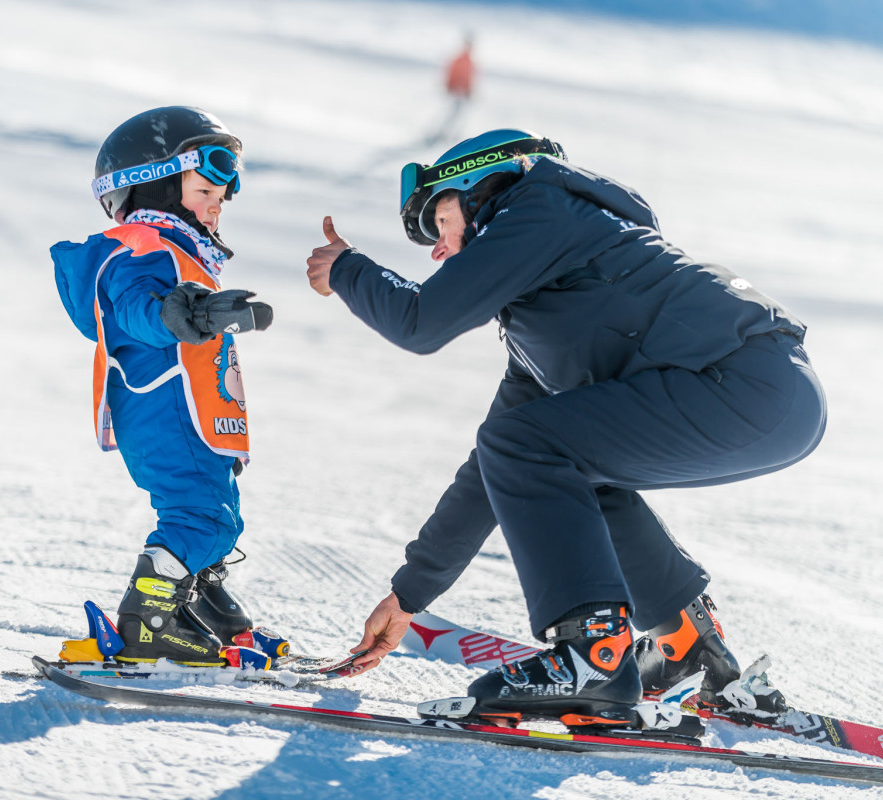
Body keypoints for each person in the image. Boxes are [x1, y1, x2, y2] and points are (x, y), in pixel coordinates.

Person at [305, 129, 824, 730]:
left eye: (440, 221)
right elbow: (492, 472)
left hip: (744, 382)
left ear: (479, 192)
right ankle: (683, 642)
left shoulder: (540, 205)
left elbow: (420, 322)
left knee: (533, 446)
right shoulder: (547, 296)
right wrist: (410, 597)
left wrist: (346, 270)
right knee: (551, 457)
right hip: (765, 394)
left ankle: (591, 659)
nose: (439, 250)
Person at [52, 106, 274, 665]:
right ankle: (148, 620)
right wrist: (178, 315)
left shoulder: (180, 252)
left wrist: (213, 314)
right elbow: (133, 310)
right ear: (157, 186)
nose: (216, 207)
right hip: (164, 411)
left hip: (190, 415)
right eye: (205, 192)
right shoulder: (140, 248)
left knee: (217, 512)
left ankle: (192, 599)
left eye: (221, 199)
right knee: (201, 515)